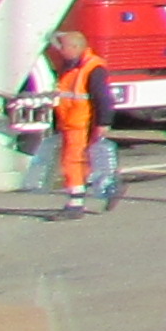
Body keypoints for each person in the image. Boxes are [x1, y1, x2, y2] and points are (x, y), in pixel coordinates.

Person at [45, 29, 112, 219]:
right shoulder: (73, 66)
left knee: (72, 162)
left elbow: (103, 98)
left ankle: (75, 204)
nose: (60, 50)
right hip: (72, 123)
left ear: (75, 47)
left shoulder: (92, 68)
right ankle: (108, 187)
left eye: (63, 46)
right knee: (84, 162)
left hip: (80, 124)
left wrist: (103, 123)